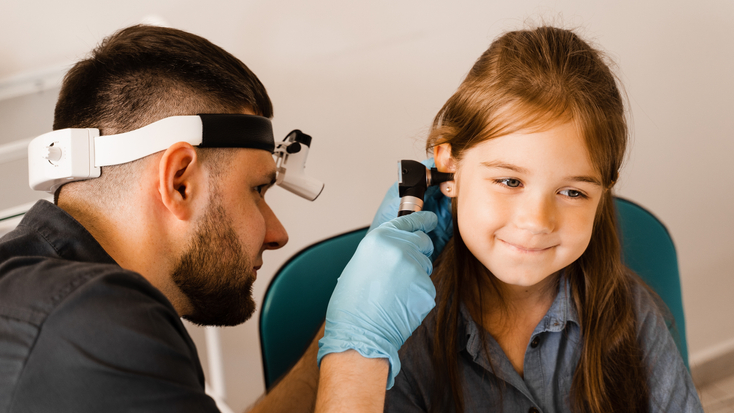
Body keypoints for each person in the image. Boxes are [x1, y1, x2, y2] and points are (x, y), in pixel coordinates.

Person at [0, 25, 439, 413]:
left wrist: (337, 333)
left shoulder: (40, 294)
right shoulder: (92, 326)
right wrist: (357, 353)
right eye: (257, 190)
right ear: (180, 182)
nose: (277, 233)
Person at [372, 26, 704, 412]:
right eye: (510, 180)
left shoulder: (632, 315)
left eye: (573, 192)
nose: (536, 221)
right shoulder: (405, 335)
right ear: (450, 167)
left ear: (603, 192)